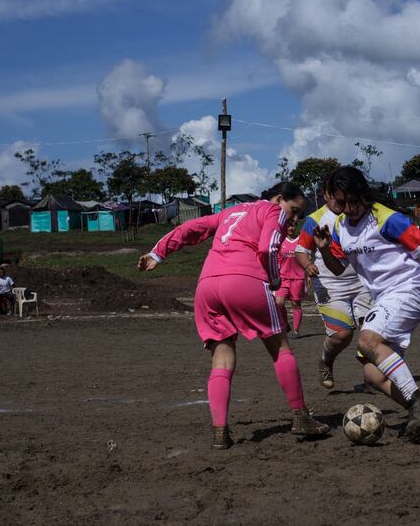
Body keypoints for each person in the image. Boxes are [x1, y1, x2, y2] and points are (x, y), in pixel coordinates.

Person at [137, 181, 329, 450]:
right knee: (280, 349)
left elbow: (191, 228)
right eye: (294, 210)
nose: (294, 218)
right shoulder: (272, 211)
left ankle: (220, 431)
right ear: (278, 199)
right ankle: (301, 417)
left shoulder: (230, 212)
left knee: (221, 358)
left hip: (207, 286)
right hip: (245, 281)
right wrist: (275, 279)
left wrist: (158, 253)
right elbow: (267, 248)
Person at [312, 166, 420, 440]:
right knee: (373, 375)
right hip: (385, 298)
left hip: (408, 288)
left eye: (352, 200)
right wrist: (325, 248)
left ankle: (419, 402)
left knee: (367, 341)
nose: (348, 208)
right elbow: (337, 269)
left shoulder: (386, 218)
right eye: (341, 202)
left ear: (362, 193)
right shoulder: (340, 227)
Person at [296, 183, 375, 390]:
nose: (340, 201)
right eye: (335, 197)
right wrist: (308, 265)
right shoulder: (315, 219)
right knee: (342, 335)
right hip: (330, 285)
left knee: (371, 332)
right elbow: (301, 250)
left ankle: (371, 379)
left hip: (362, 282)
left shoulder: (357, 213)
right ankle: (326, 360)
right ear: (326, 195)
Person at [276, 222, 307, 337]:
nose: (290, 228)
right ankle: (285, 324)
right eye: (288, 226)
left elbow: (306, 258)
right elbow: (277, 260)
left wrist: (308, 275)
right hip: (283, 278)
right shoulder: (280, 241)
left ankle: (295, 330)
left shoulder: (301, 241)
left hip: (298, 278)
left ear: (296, 226)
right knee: (278, 303)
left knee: (295, 304)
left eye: (292, 226)